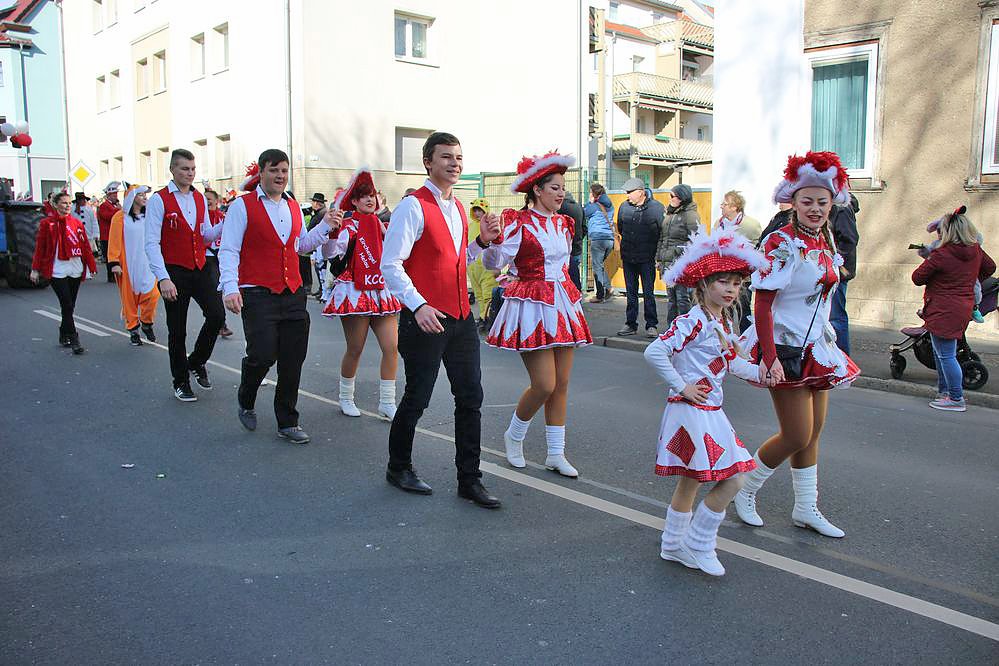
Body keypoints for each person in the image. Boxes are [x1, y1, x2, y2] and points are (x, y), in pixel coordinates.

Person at [733, 151, 861, 538]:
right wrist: (770, 358)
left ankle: (806, 507)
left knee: (814, 432)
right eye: (807, 201)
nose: (815, 209)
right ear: (794, 201)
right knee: (796, 434)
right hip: (784, 347)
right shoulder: (781, 241)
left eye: (822, 201)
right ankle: (743, 489)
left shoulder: (825, 240)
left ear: (832, 203)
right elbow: (762, 304)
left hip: (817, 346)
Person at [380, 131, 503, 509]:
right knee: (417, 396)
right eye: (446, 156)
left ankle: (470, 479)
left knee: (470, 397)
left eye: (459, 157)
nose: (455, 163)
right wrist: (418, 306)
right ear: (428, 162)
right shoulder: (412, 206)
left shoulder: (458, 207)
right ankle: (398, 467)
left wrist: (481, 243)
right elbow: (391, 264)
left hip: (460, 318)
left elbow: (456, 260)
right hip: (425, 319)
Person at [646, 225, 770, 576]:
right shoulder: (693, 321)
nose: (731, 289)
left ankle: (673, 544)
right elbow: (655, 351)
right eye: (723, 282)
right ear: (703, 285)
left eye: (737, 283)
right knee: (735, 478)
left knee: (692, 480)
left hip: (709, 410)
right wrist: (682, 386)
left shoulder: (721, 322)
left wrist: (762, 373)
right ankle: (699, 543)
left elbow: (730, 362)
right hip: (691, 410)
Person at [220, 149, 341, 443]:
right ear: (261, 172)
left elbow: (301, 246)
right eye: (274, 170)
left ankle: (287, 421)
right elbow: (229, 249)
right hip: (257, 292)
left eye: (284, 171)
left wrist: (325, 226)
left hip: (292, 292)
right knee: (262, 355)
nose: (280, 176)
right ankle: (246, 396)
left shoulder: (292, 206)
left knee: (292, 358)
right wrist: (230, 287)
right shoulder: (242, 206)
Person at [484, 151, 593, 478]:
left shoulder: (564, 223)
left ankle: (555, 453)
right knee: (544, 384)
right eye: (554, 188)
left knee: (562, 384)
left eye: (563, 188)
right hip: (531, 305)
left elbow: (563, 266)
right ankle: (514, 434)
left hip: (563, 303)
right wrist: (492, 243)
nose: (561, 194)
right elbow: (495, 263)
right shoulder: (517, 222)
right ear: (536, 189)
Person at [145, 149, 226, 402]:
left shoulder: (199, 198)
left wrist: (225, 223)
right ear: (172, 169)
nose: (190, 173)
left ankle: (196, 361)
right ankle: (180, 381)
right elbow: (151, 243)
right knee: (177, 330)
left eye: (192, 169)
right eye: (184, 169)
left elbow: (205, 235)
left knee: (217, 315)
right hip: (174, 271)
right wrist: (163, 277)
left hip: (200, 266)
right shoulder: (159, 200)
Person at [321, 168, 402, 420]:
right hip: (355, 290)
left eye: (372, 195)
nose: (370, 199)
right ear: (354, 201)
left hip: (380, 289)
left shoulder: (383, 225)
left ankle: (387, 402)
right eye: (364, 196)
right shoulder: (347, 226)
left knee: (391, 347)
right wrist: (332, 233)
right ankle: (346, 397)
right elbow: (330, 254)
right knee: (355, 348)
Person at [911, 206, 995, 412]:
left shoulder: (942, 254)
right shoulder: (975, 250)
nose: (939, 234)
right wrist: (970, 278)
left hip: (943, 308)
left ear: (948, 232)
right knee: (941, 353)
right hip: (962, 306)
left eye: (941, 230)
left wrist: (929, 258)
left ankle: (956, 398)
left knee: (946, 355)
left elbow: (917, 277)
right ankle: (944, 392)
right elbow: (990, 267)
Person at [29, 191, 97, 354]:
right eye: (64, 203)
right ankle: (74, 338)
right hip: (57, 268)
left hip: (74, 267)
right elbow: (40, 247)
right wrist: (35, 269)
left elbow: (84, 246)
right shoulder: (47, 224)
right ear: (55, 205)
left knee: (69, 305)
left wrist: (91, 265)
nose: (67, 206)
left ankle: (63, 332)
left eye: (69, 203)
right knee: (66, 303)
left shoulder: (76, 223)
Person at [107, 185, 159, 345]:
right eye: (141, 195)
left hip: (148, 262)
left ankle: (147, 322)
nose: (144, 197)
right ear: (132, 197)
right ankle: (133, 329)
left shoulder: (150, 215)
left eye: (145, 195)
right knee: (129, 299)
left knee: (153, 296)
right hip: (129, 263)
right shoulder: (120, 217)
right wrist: (114, 262)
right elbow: (114, 240)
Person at [617, 177, 665, 337]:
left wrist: (658, 256)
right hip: (628, 257)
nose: (627, 195)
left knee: (648, 293)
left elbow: (662, 233)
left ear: (641, 192)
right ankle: (630, 324)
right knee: (631, 293)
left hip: (647, 258)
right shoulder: (624, 207)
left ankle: (651, 325)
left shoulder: (656, 208)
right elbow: (621, 228)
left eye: (630, 192)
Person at [714, 190, 762, 332]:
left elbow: (758, 249)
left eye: (724, 204)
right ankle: (725, 338)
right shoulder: (719, 223)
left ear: (734, 207)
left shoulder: (751, 225)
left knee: (743, 311)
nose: (721, 206)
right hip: (722, 276)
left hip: (742, 278)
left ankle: (745, 339)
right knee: (723, 310)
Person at [657, 183, 700, 327]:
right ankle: (672, 329)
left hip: (681, 263)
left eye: (672, 196)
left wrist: (679, 253)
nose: (670, 199)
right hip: (668, 262)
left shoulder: (690, 215)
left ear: (682, 197)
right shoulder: (670, 214)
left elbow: (696, 240)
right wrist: (659, 258)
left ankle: (685, 329)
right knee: (671, 298)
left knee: (683, 298)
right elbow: (663, 238)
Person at [828, 193, 860, 354]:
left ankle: (842, 360)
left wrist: (835, 263)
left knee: (835, 318)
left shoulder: (842, 207)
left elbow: (849, 239)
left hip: (837, 273)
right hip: (830, 271)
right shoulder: (833, 205)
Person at [464, 197, 500, 332]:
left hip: (487, 268)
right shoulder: (470, 226)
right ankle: (482, 317)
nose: (477, 213)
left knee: (488, 295)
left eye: (480, 210)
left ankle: (490, 319)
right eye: (475, 210)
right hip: (473, 268)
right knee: (479, 294)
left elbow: (497, 246)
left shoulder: (490, 225)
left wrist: (497, 266)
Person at [204, 188, 233, 338]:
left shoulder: (222, 217)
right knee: (215, 289)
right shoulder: (201, 217)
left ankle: (218, 321)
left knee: (223, 287)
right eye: (204, 199)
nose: (207, 201)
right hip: (207, 256)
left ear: (217, 201)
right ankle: (221, 323)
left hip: (221, 256)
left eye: (209, 199)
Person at [583, 182, 615, 303]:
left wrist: (589, 202)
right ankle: (609, 288)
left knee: (597, 267)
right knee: (599, 265)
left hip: (598, 239)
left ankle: (600, 295)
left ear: (594, 194)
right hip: (610, 239)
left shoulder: (594, 206)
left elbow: (583, 213)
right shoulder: (610, 205)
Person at [558, 190, 586, 291]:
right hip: (577, 246)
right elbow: (584, 227)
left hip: (563, 247)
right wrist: (579, 238)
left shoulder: (559, 207)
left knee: (564, 276)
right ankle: (577, 294)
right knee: (575, 273)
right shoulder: (579, 207)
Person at [97, 182, 122, 282]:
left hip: (114, 235)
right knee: (109, 256)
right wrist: (118, 210)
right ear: (108, 195)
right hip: (106, 235)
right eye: (113, 195)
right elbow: (108, 217)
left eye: (116, 194)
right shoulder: (104, 206)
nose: (116, 196)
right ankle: (111, 276)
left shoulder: (114, 206)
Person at [308, 192, 328, 298]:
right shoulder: (318, 213)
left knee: (321, 269)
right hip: (316, 244)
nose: (312, 204)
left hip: (320, 245)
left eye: (313, 202)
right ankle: (321, 289)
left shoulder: (321, 215)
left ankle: (323, 290)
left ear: (317, 203)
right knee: (319, 269)